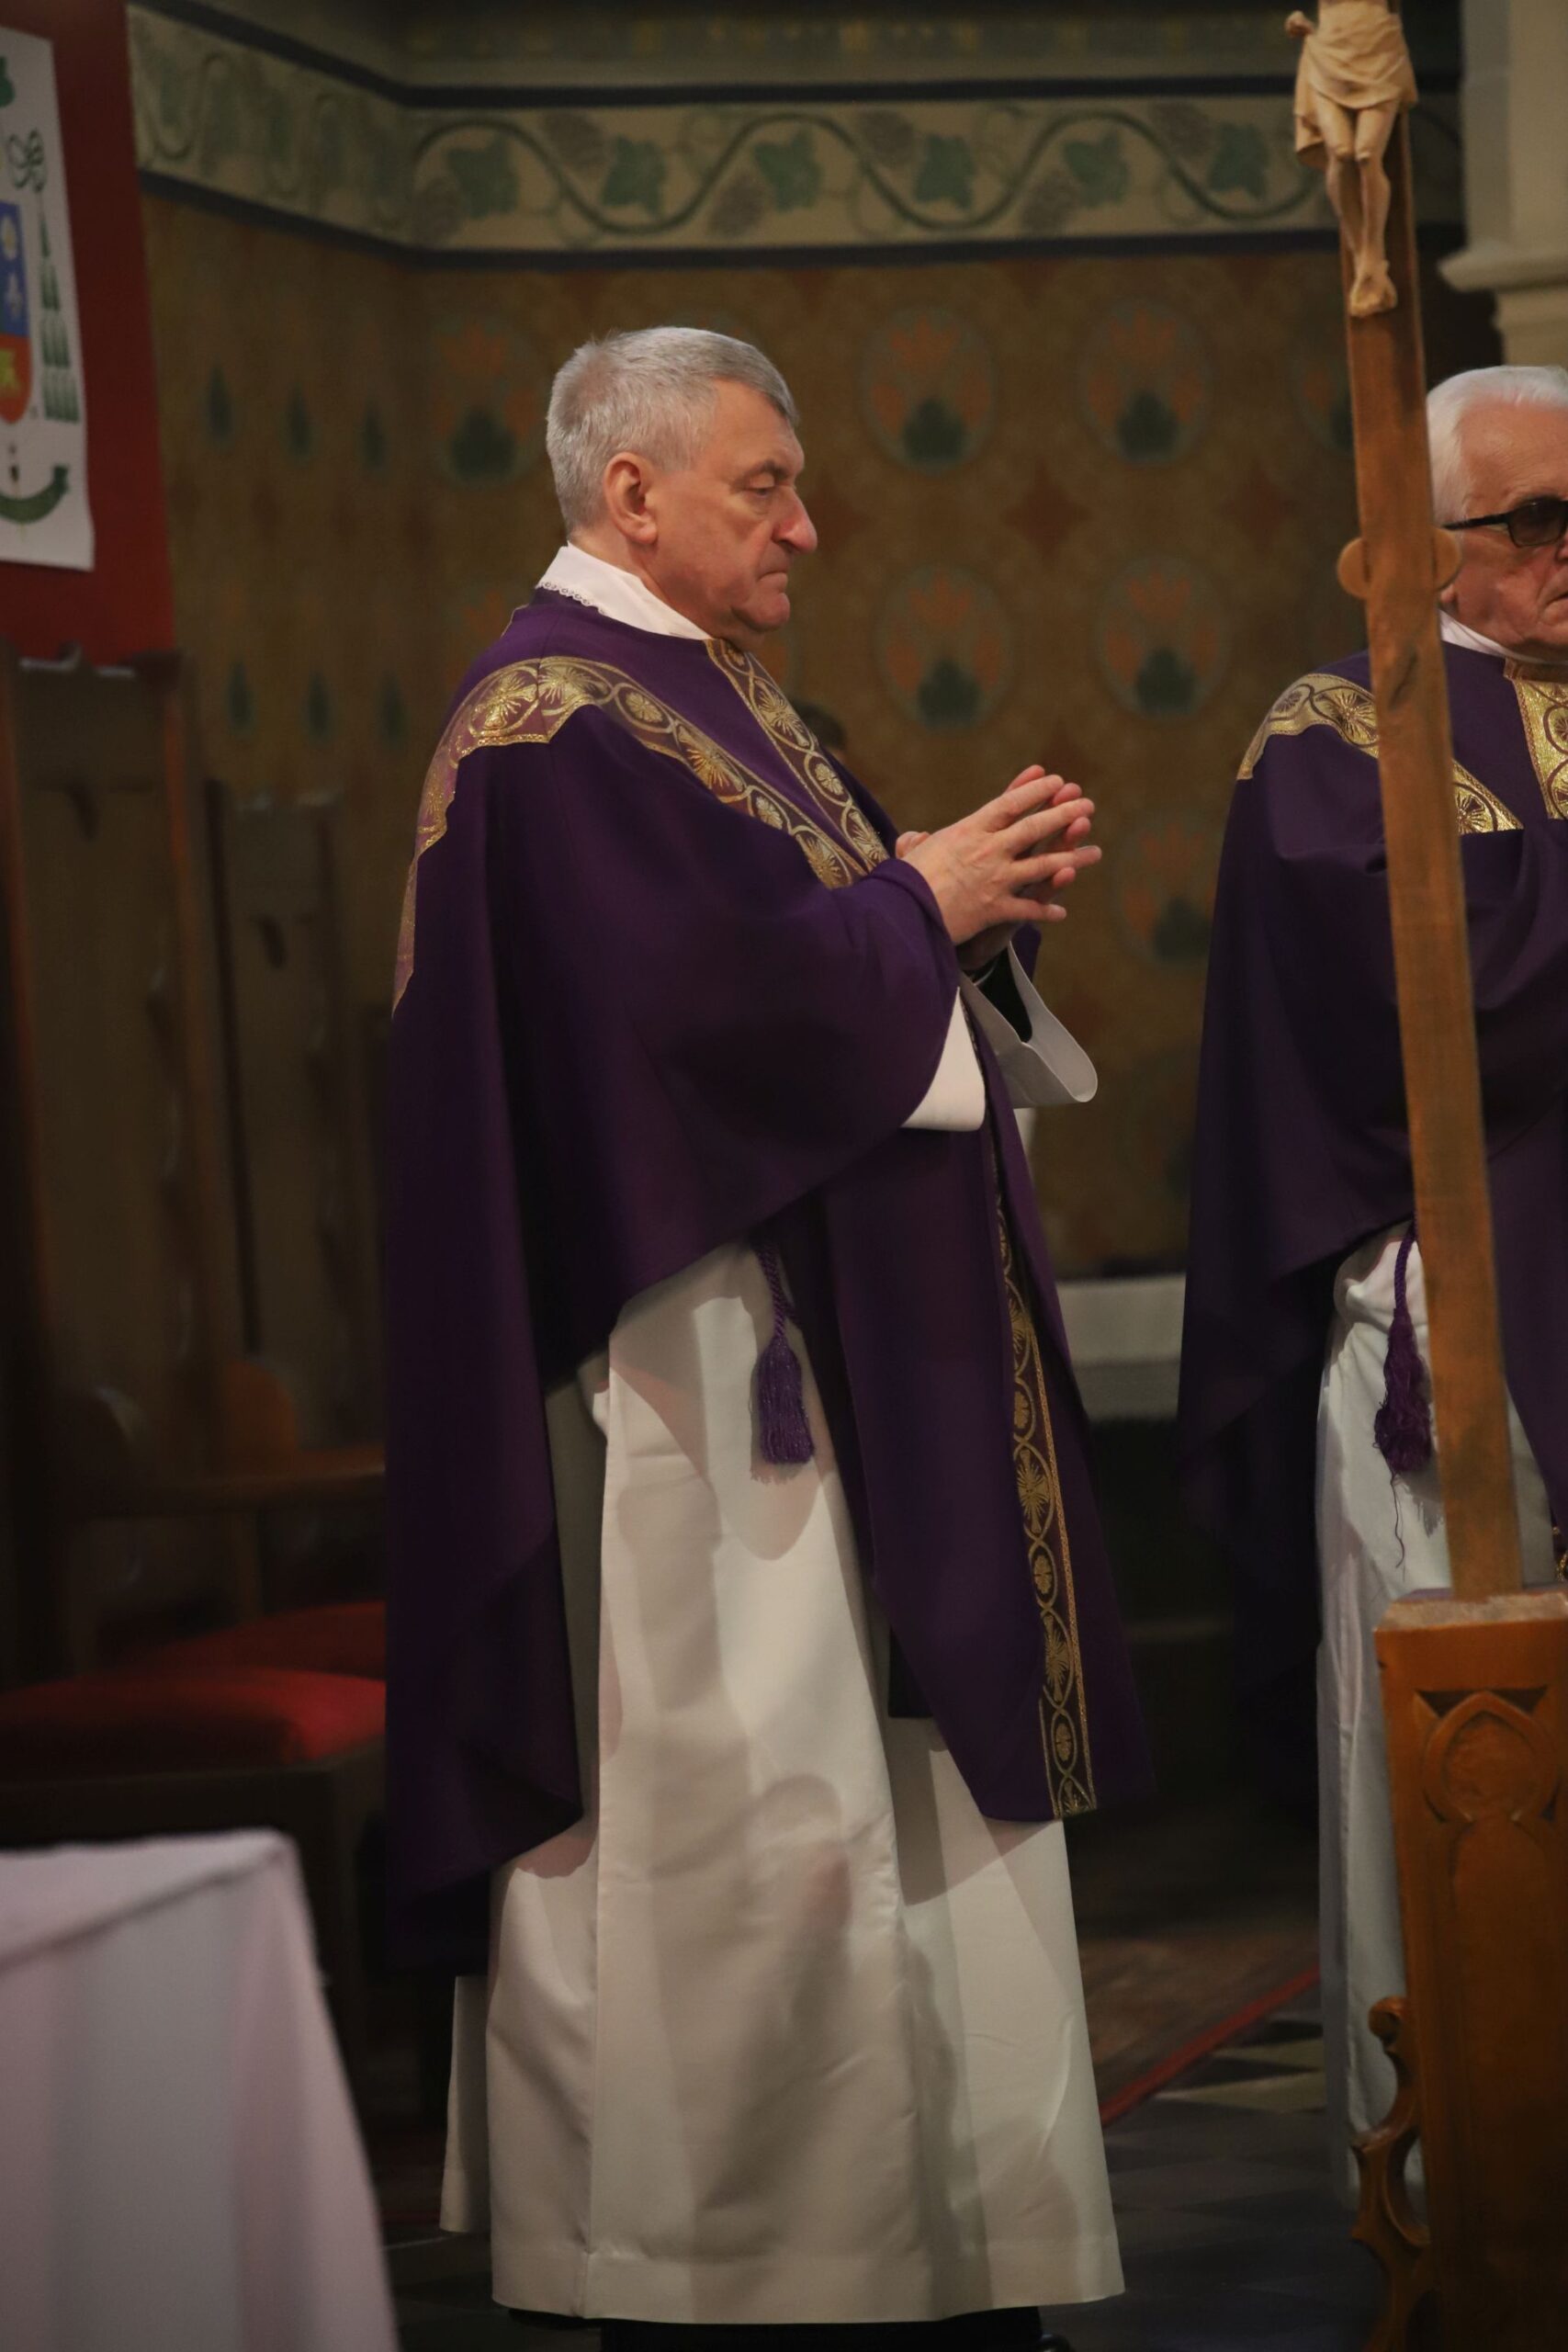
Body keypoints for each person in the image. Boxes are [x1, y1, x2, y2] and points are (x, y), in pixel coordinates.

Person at [383, 327, 1150, 2341]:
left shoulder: (706, 701)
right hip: (702, 1378)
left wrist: (954, 914)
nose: (807, 526)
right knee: (745, 1808)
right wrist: (915, 903)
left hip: (818, 1347)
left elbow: (798, 958)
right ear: (630, 492)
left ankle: (918, 2237)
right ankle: (734, 2254)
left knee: (870, 1798)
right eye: (766, 486)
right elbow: (674, 1027)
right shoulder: (551, 725)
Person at [1179, 363, 1568, 2192]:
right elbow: (1433, 1008)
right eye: (1536, 519)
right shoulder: (1341, 730)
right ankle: (1462, 2192)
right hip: (1466, 1329)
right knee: (1463, 1767)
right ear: (1419, 542)